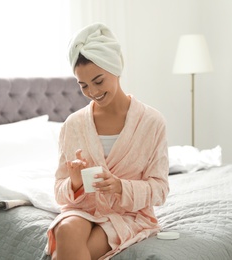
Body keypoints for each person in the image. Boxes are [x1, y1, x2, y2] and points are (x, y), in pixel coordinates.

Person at [46, 22, 169, 260]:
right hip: (83, 210)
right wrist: (74, 183)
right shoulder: (73, 125)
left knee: (76, 250)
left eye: (98, 81)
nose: (92, 91)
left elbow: (160, 190)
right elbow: (59, 192)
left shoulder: (152, 123)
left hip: (129, 214)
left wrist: (120, 186)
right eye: (83, 85)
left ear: (115, 69)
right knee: (65, 229)